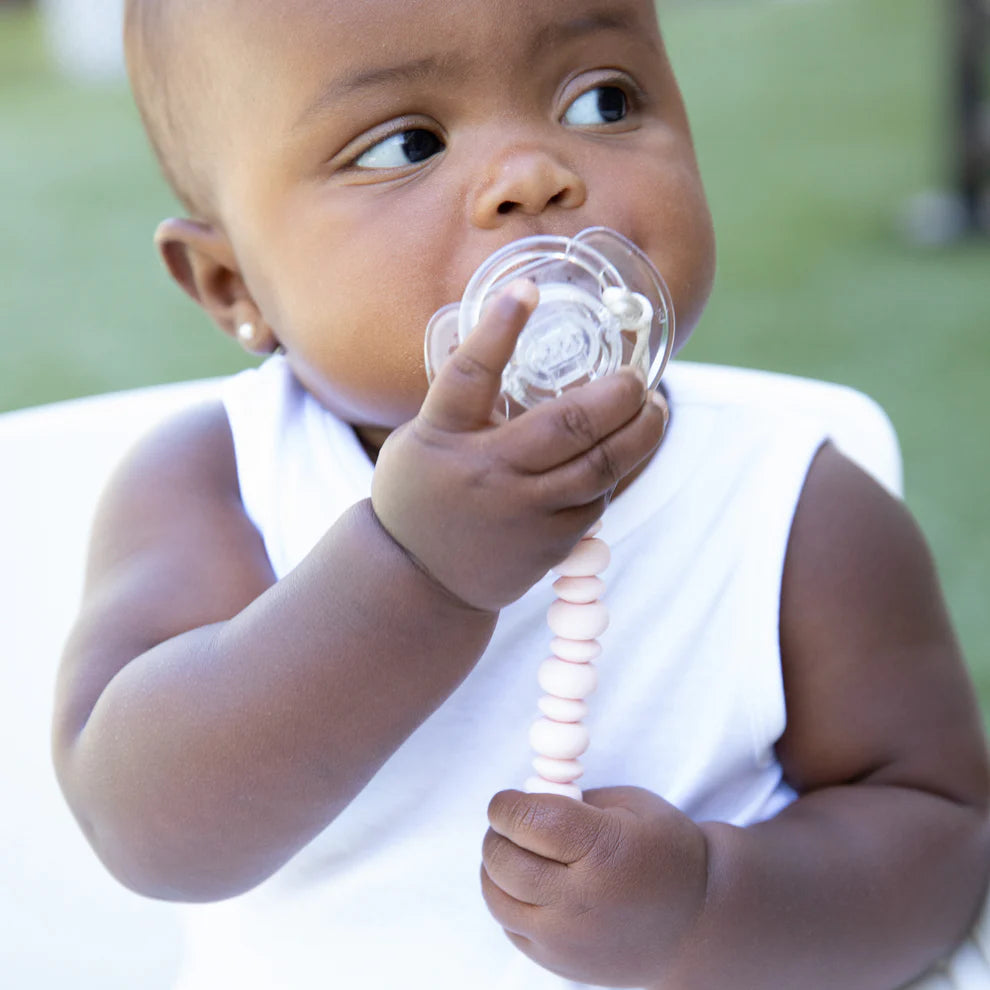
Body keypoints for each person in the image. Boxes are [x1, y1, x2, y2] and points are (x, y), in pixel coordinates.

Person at [52, 0, 990, 987]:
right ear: (230, 284)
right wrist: (412, 569)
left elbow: (942, 842)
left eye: (601, 100)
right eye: (406, 144)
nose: (533, 175)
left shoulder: (790, 499)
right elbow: (147, 827)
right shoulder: (217, 480)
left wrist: (709, 903)